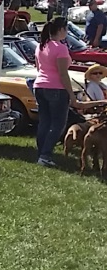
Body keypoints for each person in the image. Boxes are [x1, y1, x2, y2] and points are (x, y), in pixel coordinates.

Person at [34, 17, 101, 167]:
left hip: (39, 85)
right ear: (61, 30)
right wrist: (71, 95)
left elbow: (39, 68)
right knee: (58, 124)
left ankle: (41, 153)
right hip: (56, 87)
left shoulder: (40, 46)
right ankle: (45, 155)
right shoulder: (61, 48)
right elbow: (63, 73)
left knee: (44, 121)